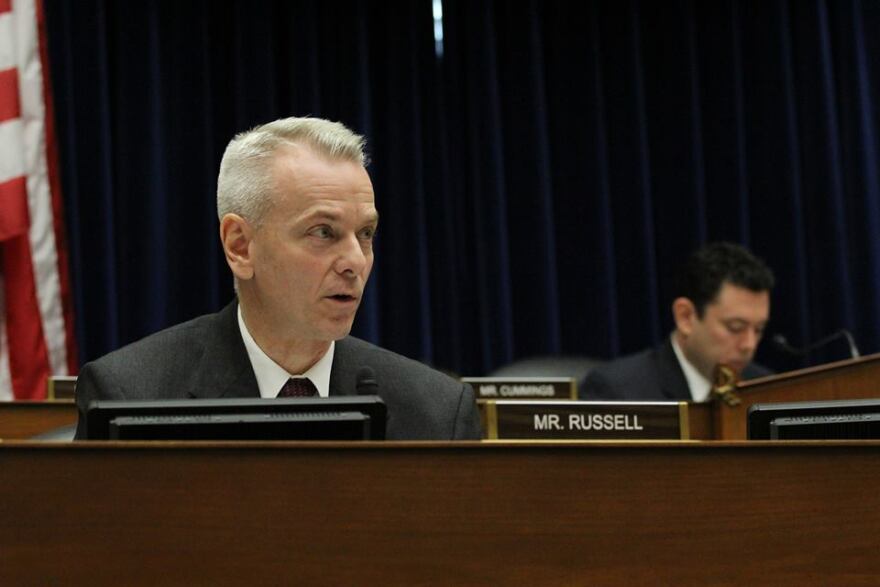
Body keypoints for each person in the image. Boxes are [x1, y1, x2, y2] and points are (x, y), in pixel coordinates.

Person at [74, 116, 481, 440]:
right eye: (323, 232)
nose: (355, 261)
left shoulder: (437, 413)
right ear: (240, 246)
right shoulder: (130, 395)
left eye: (366, 233)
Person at [580, 242, 774, 402]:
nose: (749, 344)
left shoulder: (766, 389)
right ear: (686, 317)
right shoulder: (618, 392)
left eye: (758, 329)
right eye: (735, 327)